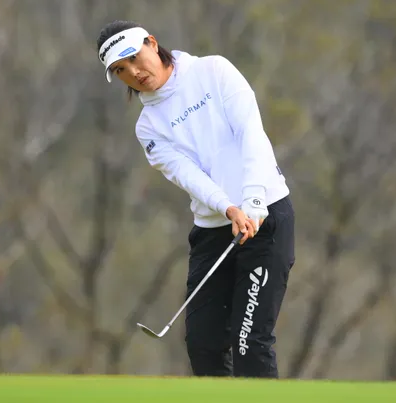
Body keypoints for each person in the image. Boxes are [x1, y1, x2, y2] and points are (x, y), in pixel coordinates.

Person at [96, 20, 295, 378]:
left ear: (152, 43)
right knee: (202, 345)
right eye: (120, 70)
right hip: (214, 230)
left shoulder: (213, 70)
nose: (133, 72)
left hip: (265, 218)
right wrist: (229, 208)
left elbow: (251, 133)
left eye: (134, 58)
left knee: (249, 341)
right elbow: (189, 176)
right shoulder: (148, 128)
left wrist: (253, 199)